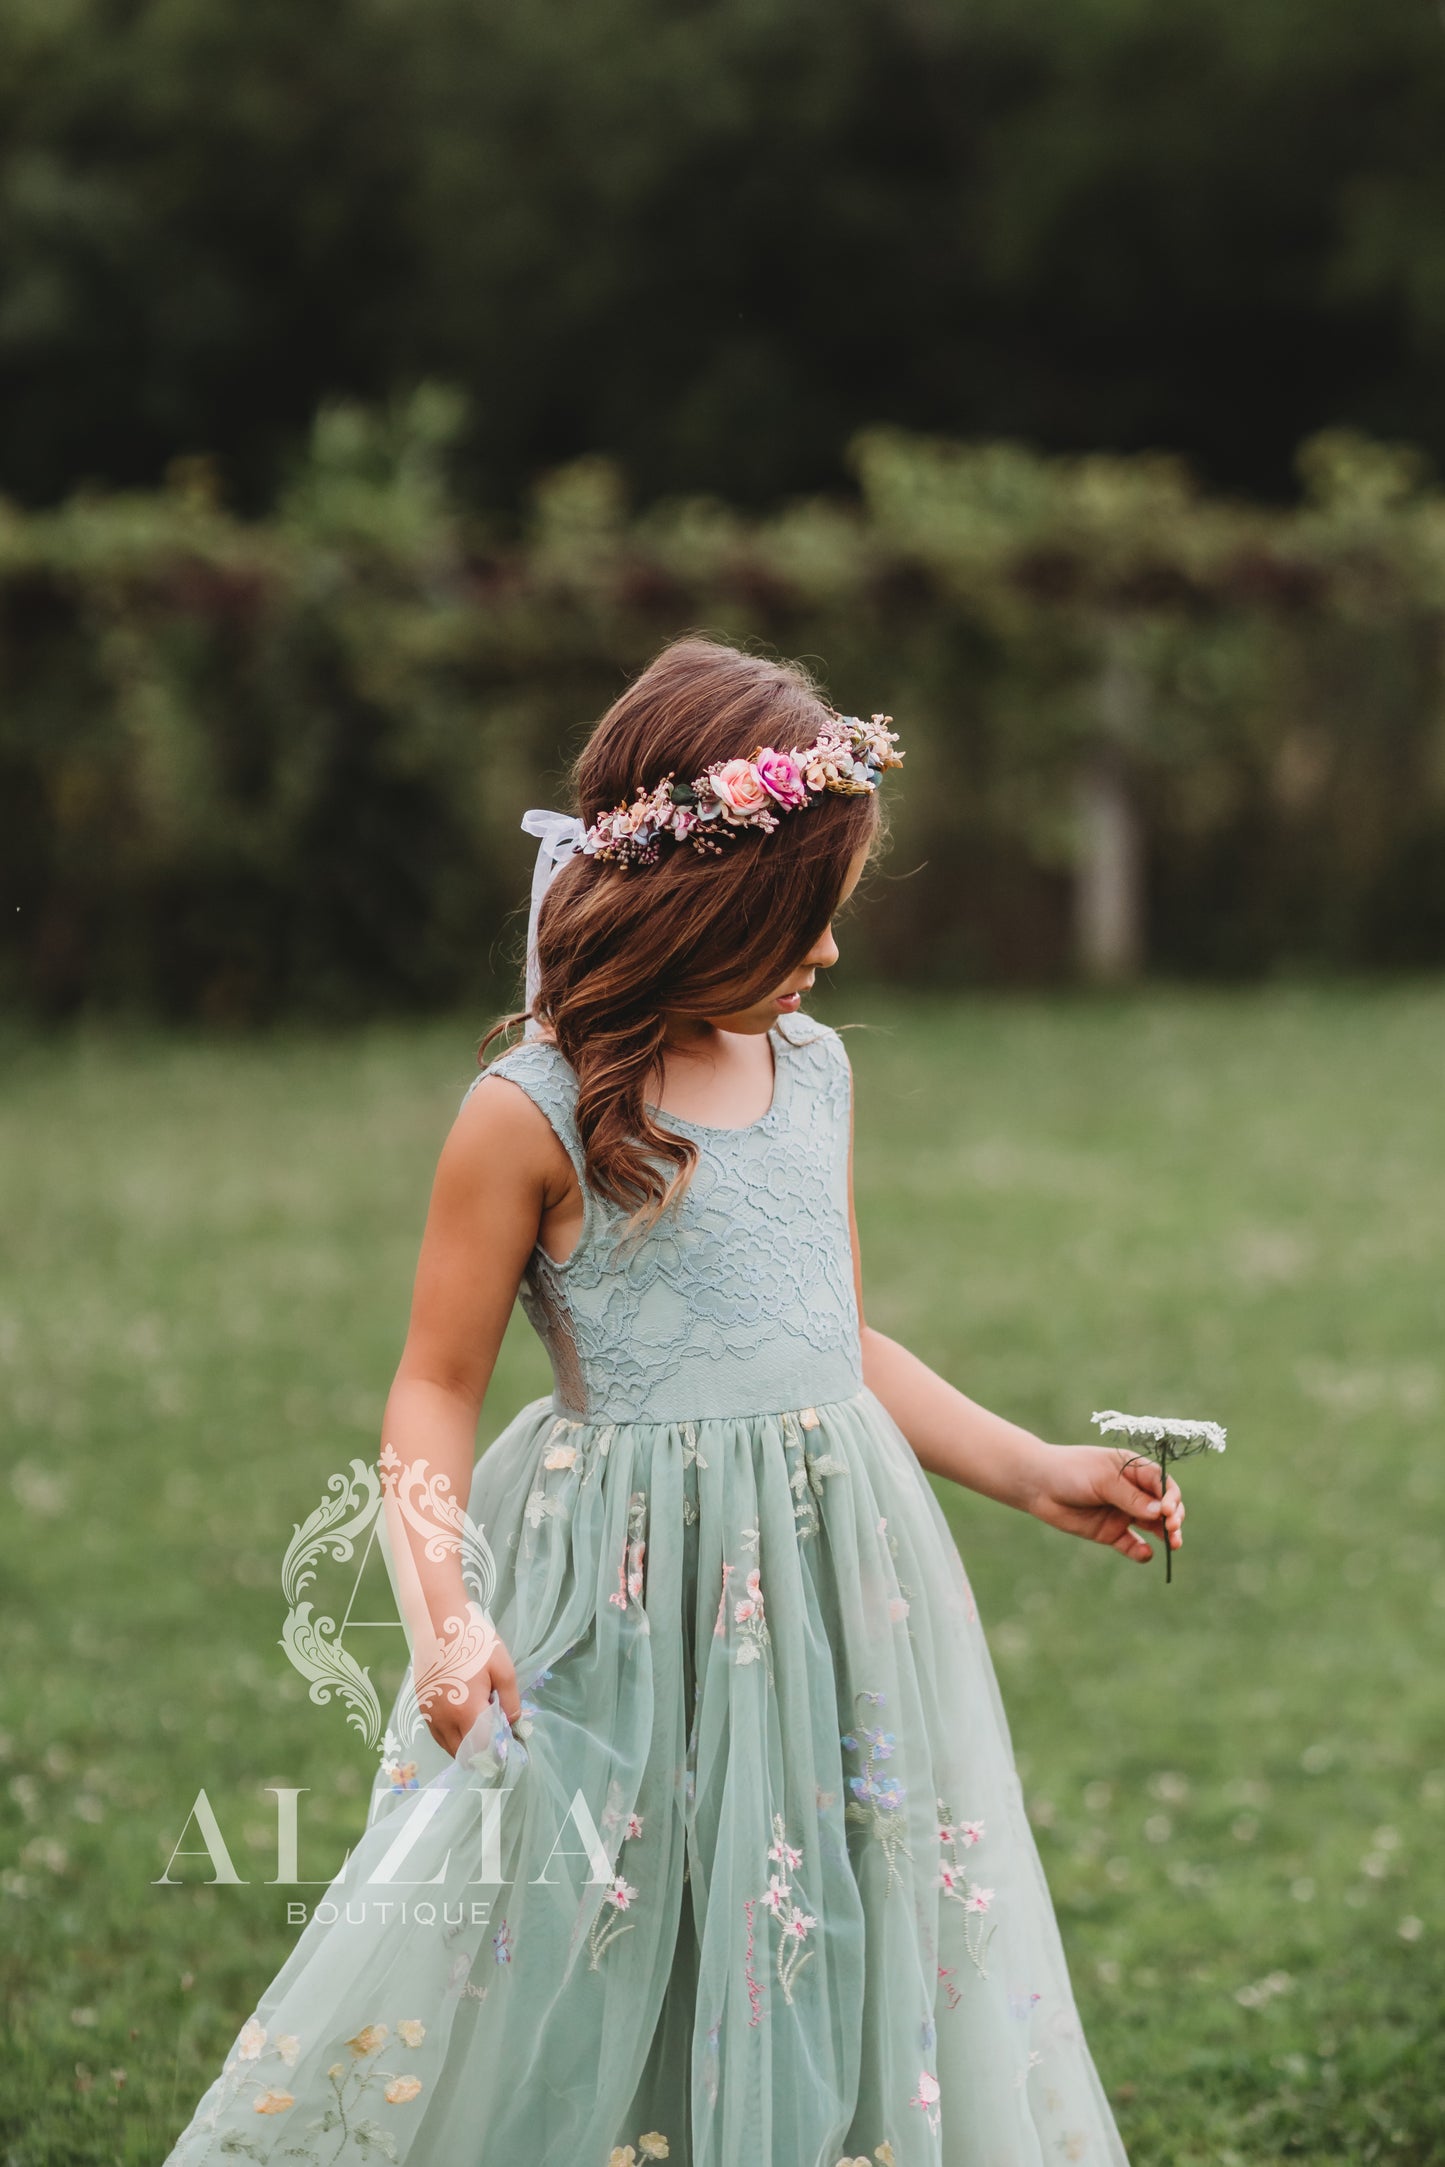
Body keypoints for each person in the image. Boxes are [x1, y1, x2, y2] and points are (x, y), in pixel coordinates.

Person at [163, 636, 1182, 2166]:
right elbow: (433, 1387)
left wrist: (1029, 1468)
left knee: (826, 1900)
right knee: (586, 1919)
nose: (827, 959)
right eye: (800, 923)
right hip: (622, 1602)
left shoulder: (814, 1069)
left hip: (834, 1587)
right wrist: (443, 1610)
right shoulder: (531, 1112)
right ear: (693, 902)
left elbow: (829, 1339)